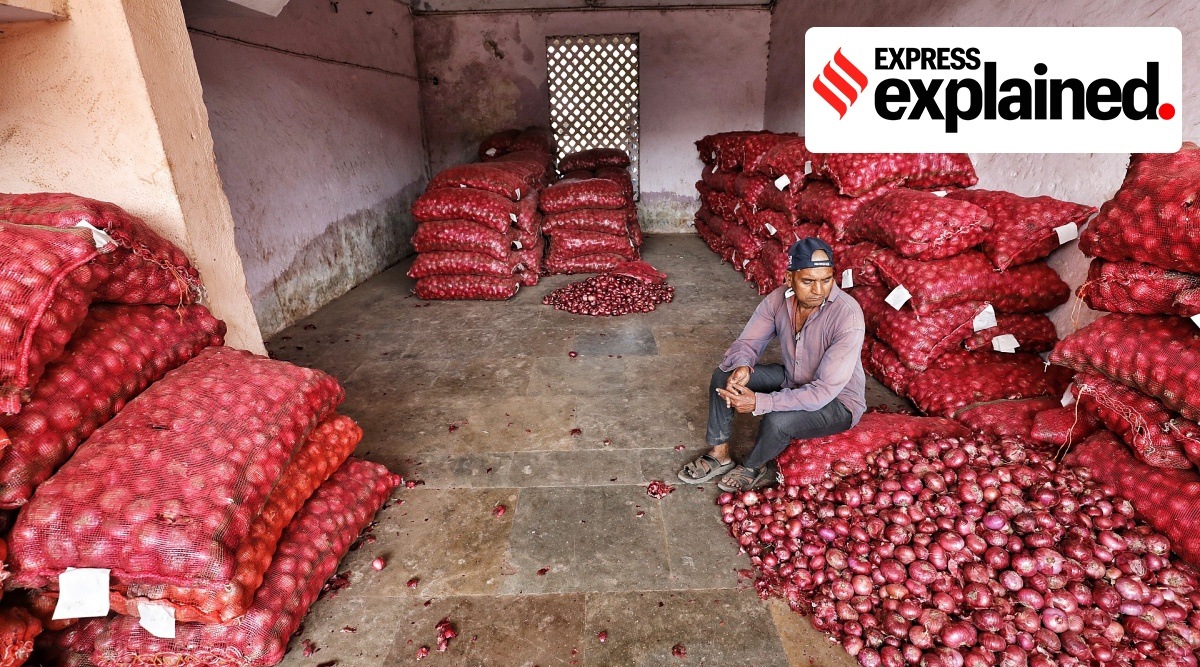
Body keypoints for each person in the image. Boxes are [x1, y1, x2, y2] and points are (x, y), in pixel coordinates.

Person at [677, 237, 867, 492]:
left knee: (777, 420)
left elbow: (822, 391)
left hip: (837, 402)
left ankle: (754, 465)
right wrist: (743, 365)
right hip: (793, 377)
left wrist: (759, 403)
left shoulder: (848, 316)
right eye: (808, 281)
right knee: (724, 377)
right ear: (790, 279)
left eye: (826, 279)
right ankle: (720, 454)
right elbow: (749, 341)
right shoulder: (778, 300)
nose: (819, 290)